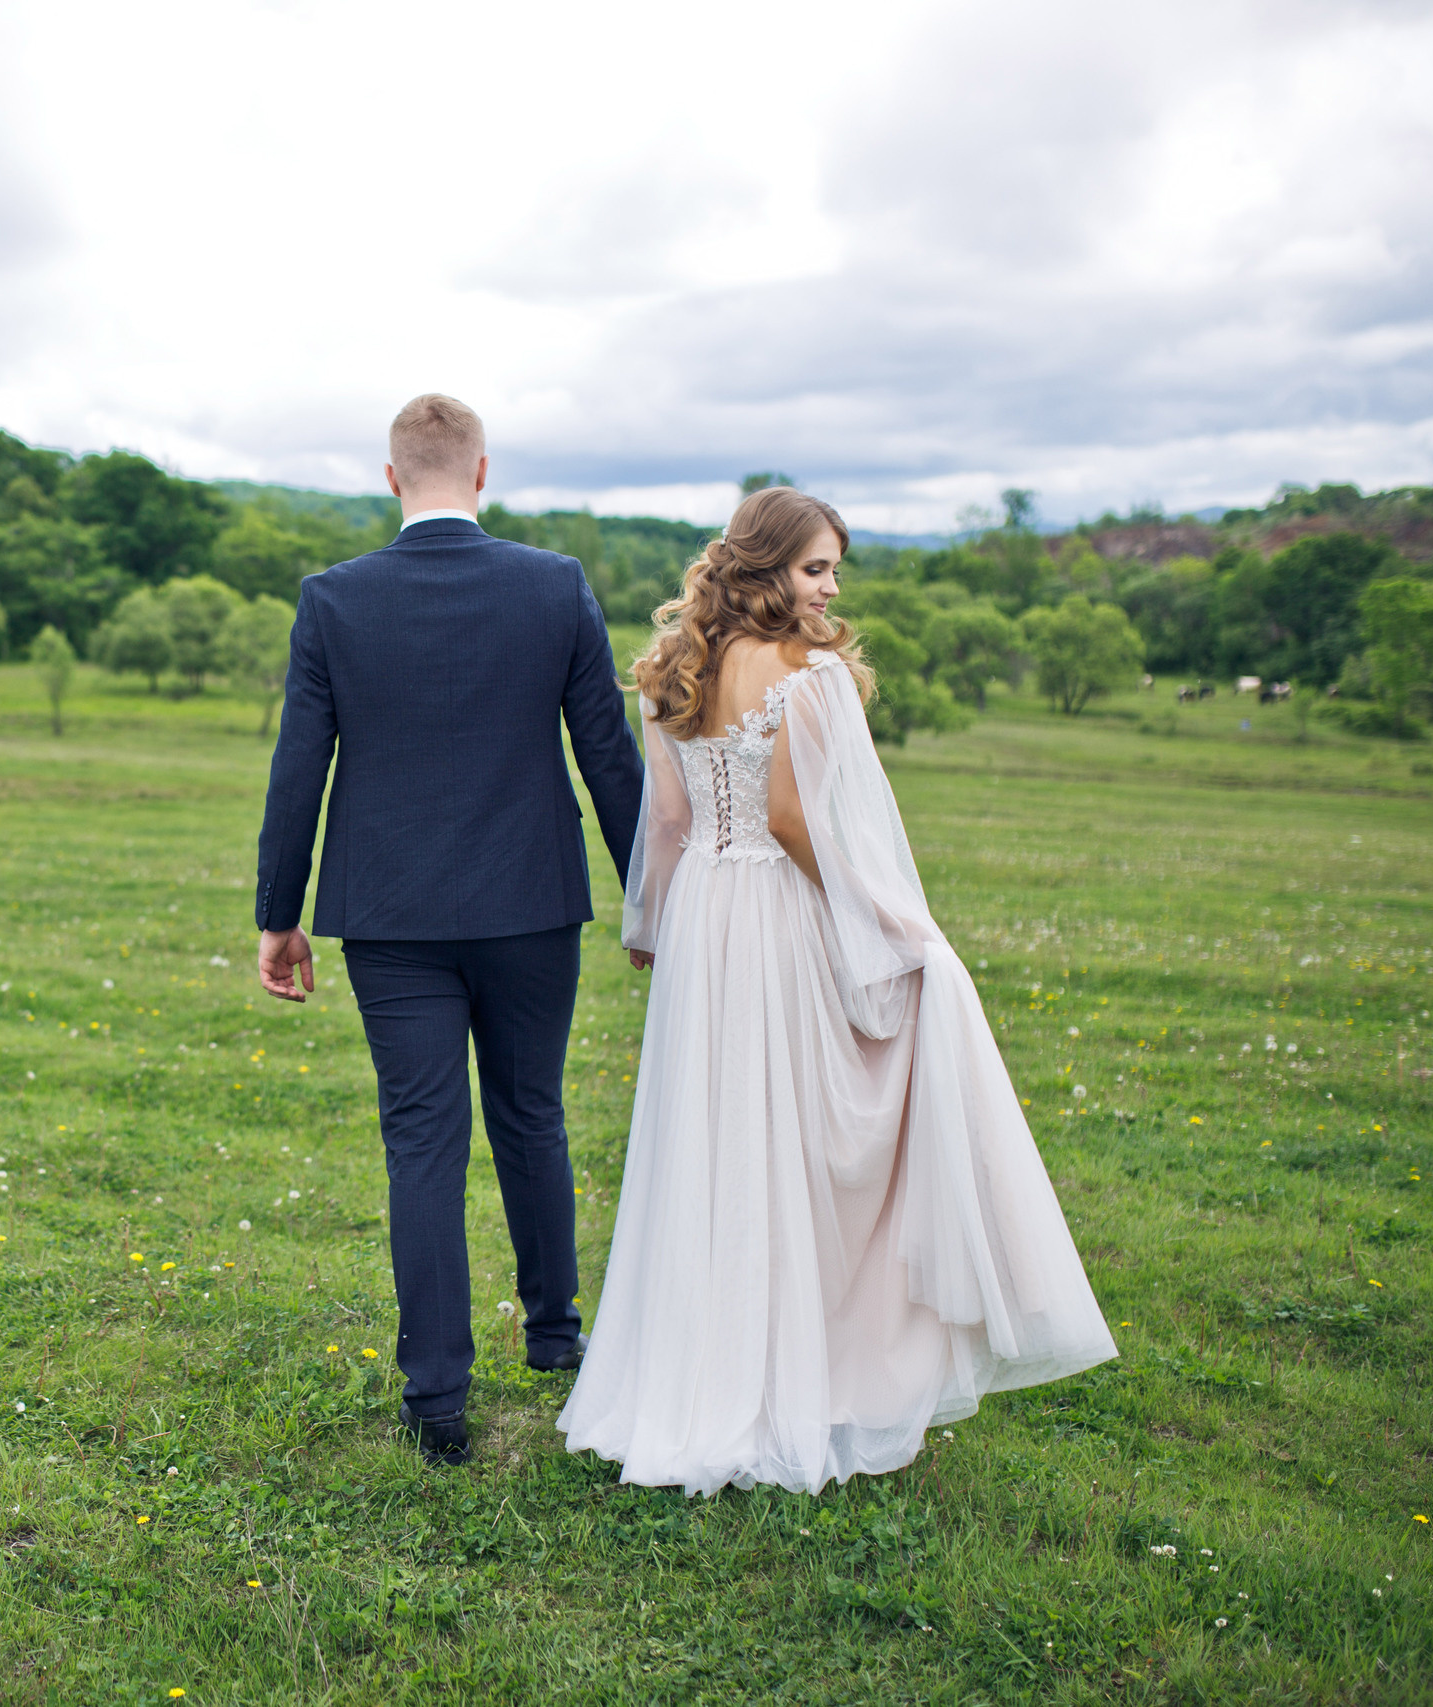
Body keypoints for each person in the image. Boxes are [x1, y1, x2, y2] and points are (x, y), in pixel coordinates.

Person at [556, 486, 1116, 1495]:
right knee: (803, 1142)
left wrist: (653, 932)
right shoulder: (805, 676)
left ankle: (702, 1377)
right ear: (766, 566)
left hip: (704, 925)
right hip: (778, 914)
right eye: (815, 567)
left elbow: (671, 827)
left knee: (717, 1141)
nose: (830, 586)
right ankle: (801, 1380)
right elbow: (791, 821)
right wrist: (878, 921)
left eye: (832, 568)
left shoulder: (672, 670)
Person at [255, 393, 644, 1467]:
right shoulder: (553, 585)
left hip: (387, 912)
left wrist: (277, 916)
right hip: (531, 902)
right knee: (532, 1114)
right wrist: (651, 894)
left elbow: (300, 767)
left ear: (392, 478)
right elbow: (606, 757)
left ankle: (437, 1401)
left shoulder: (333, 600)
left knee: (421, 1139)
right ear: (481, 473)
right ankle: (557, 1342)